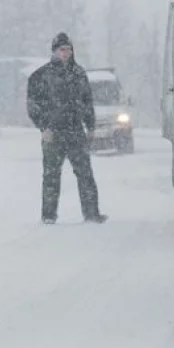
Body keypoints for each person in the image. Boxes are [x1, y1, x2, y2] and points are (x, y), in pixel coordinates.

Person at [27, 32, 108, 224]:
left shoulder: (79, 73)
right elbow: (33, 104)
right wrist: (43, 127)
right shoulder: (41, 75)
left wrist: (91, 126)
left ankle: (91, 213)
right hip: (53, 132)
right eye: (62, 49)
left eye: (68, 49)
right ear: (55, 51)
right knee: (51, 176)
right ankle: (48, 215)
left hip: (75, 131)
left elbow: (87, 101)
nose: (66, 53)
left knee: (85, 173)